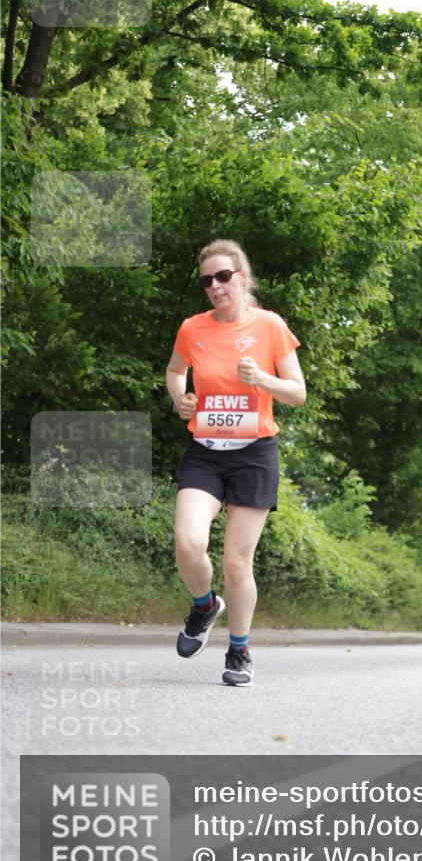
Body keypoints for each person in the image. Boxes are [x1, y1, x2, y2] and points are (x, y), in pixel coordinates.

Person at [165, 239, 306, 686]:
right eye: (207, 280)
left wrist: (262, 379)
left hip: (253, 454)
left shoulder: (270, 326)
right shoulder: (192, 328)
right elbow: (174, 371)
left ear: (242, 277)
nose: (215, 286)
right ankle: (205, 605)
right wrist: (179, 400)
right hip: (205, 450)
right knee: (188, 543)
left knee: (236, 562)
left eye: (223, 276)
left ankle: (240, 651)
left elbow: (297, 392)